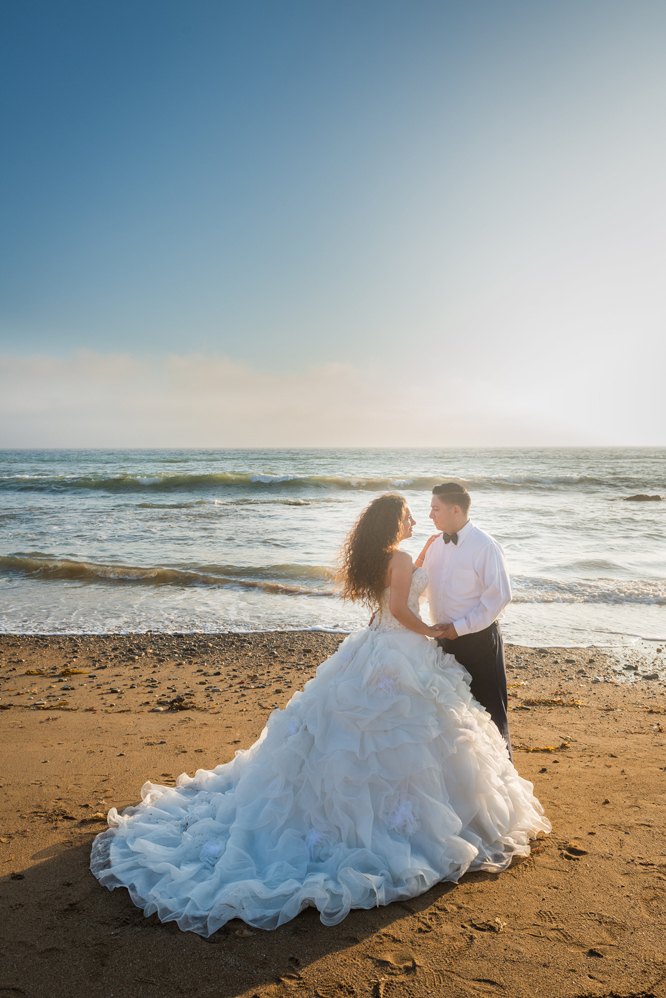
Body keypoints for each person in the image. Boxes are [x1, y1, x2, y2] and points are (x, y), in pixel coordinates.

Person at [90, 493, 549, 936]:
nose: (415, 522)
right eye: (409, 516)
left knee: (360, 735)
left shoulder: (380, 556)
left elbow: (383, 610)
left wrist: (418, 575)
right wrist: (428, 629)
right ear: (393, 523)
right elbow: (397, 609)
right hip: (404, 648)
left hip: (376, 644)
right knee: (412, 734)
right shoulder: (401, 559)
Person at [416, 482, 513, 754]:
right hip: (442, 643)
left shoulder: (485, 546)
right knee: (453, 716)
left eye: (436, 509)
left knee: (490, 714)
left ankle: (504, 786)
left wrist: (459, 628)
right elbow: (423, 590)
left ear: (455, 510)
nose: (430, 515)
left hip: (478, 641)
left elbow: (498, 598)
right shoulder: (435, 545)